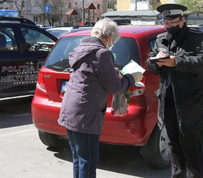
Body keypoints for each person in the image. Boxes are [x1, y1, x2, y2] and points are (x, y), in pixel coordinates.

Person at [58, 18, 141, 178]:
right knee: (88, 162)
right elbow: (115, 87)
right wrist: (132, 78)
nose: (111, 44)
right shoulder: (102, 53)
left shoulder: (81, 47)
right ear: (109, 37)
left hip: (71, 110)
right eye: (113, 41)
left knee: (79, 159)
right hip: (86, 114)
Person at [146, 4, 203, 178]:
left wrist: (176, 62)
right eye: (165, 23)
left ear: (182, 20)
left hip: (190, 102)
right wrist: (157, 62)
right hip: (167, 100)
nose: (168, 26)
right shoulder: (162, 39)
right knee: (173, 144)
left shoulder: (197, 38)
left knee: (190, 144)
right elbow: (150, 63)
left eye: (172, 22)